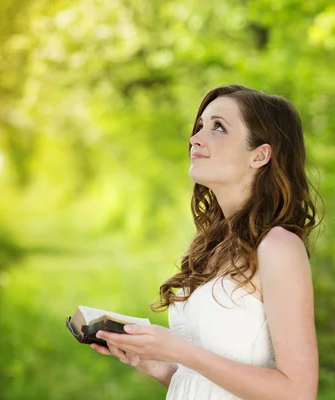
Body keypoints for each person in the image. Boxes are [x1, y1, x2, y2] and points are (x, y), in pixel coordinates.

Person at [91, 84, 321, 399]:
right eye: (201, 126)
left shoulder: (278, 247)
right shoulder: (215, 244)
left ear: (260, 155)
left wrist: (182, 351)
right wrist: (160, 366)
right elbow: (208, 382)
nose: (195, 138)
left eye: (218, 128)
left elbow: (298, 392)